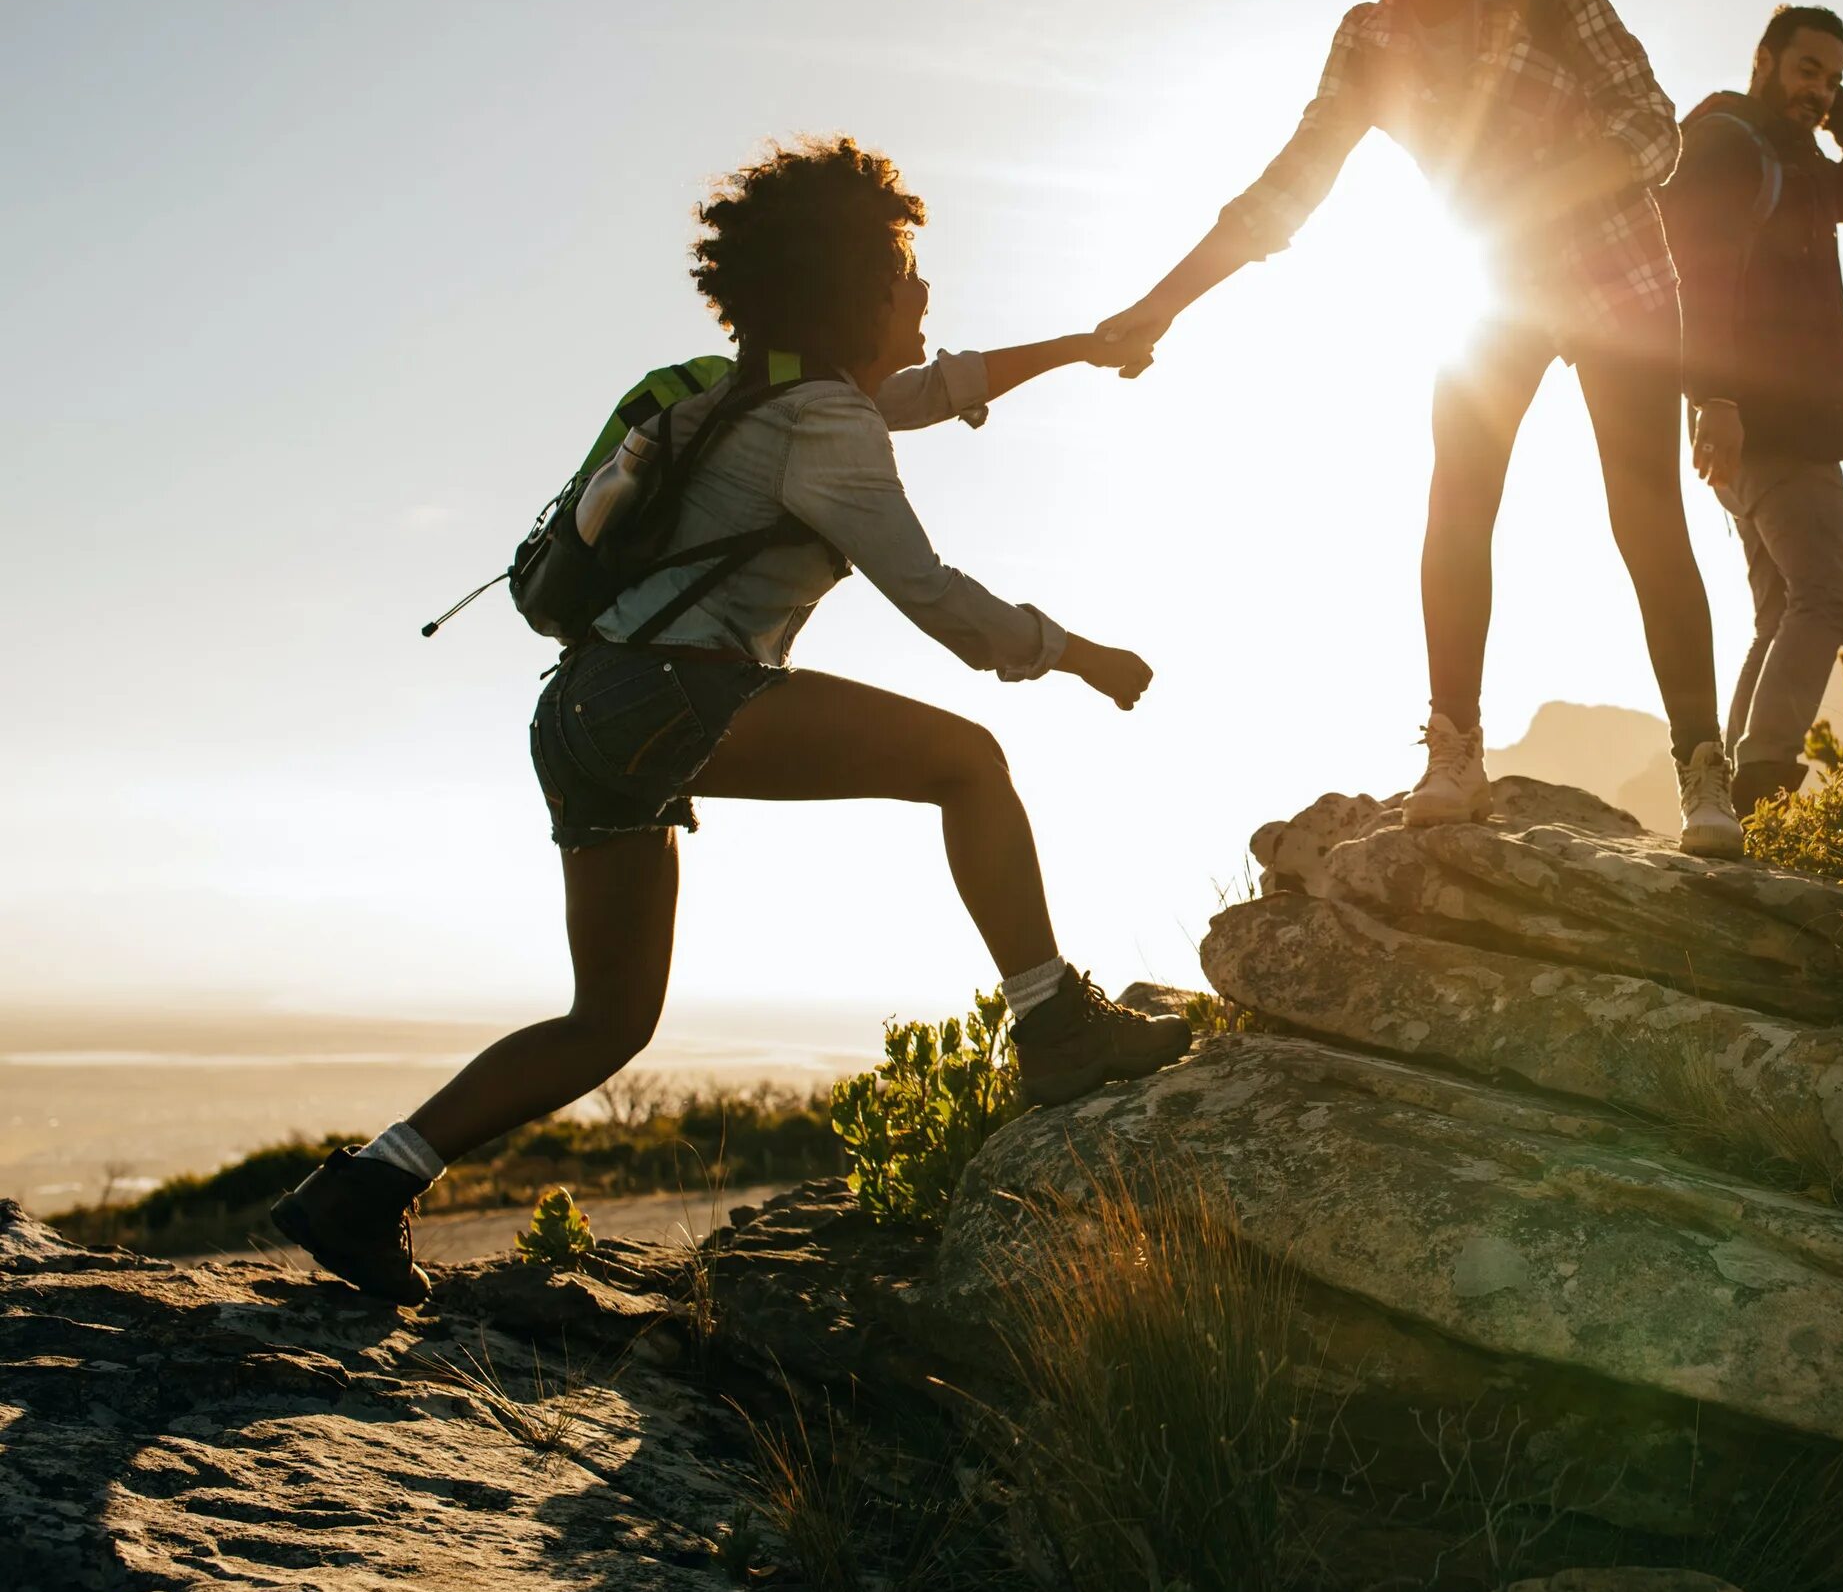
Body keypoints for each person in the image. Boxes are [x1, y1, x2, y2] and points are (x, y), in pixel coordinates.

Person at [270, 137, 1189, 1306]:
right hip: (673, 696)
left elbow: (928, 391)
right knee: (969, 760)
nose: (924, 299)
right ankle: (1056, 1024)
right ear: (856, 292)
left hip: (585, 710)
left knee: (606, 1021)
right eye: (909, 278)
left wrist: (1077, 347)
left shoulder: (741, 391)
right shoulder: (825, 425)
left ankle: (364, 1186)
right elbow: (936, 598)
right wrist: (1077, 654)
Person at [1092, 0, 1745, 857]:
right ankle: (1454, 749)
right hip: (1488, 286)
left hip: (1614, 276)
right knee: (1457, 502)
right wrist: (1162, 305)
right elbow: (1283, 192)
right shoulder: (1368, 40)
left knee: (1643, 515)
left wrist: (1563, 185)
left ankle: (1704, 768)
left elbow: (1654, 122)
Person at [1661, 5, 1843, 817]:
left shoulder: (1798, 164)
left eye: (1834, 76)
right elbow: (1700, 271)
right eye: (1808, 70)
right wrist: (1716, 398)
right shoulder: (1733, 143)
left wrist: (1837, 109)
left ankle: (1729, 792)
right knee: (1830, 593)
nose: (1821, 89)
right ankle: (1763, 777)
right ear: (1764, 60)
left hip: (1766, 417)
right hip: (1764, 415)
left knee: (1780, 613)